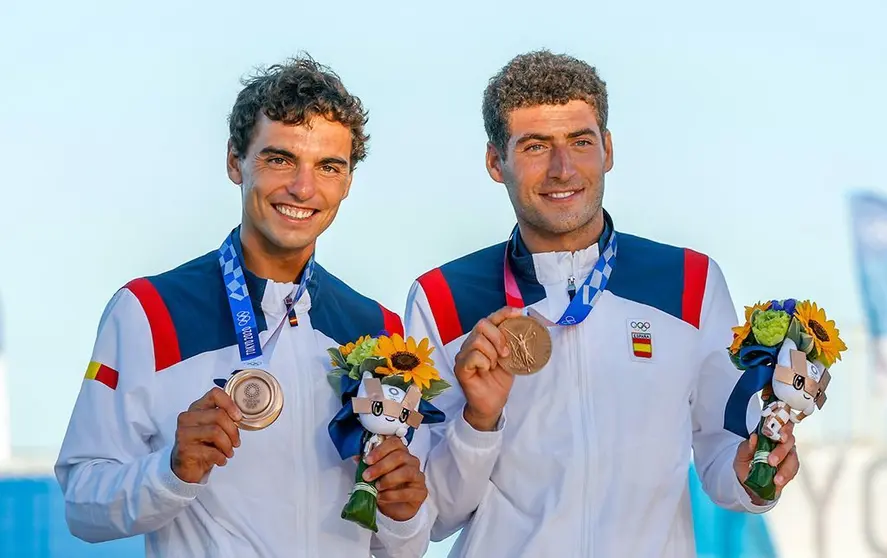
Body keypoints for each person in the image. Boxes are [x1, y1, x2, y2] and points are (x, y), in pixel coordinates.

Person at [405, 50, 800, 557]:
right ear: (494, 162)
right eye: (534, 147)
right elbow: (432, 516)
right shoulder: (443, 298)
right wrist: (478, 422)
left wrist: (749, 475)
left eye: (580, 142)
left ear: (608, 149)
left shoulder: (690, 282)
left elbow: (721, 455)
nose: (562, 168)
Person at [55, 55, 432, 558]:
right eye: (279, 159)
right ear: (235, 161)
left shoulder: (379, 330)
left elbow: (395, 547)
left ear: (346, 182)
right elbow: (82, 505)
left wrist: (404, 517)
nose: (303, 187)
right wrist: (171, 470)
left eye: (327, 167)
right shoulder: (148, 312)